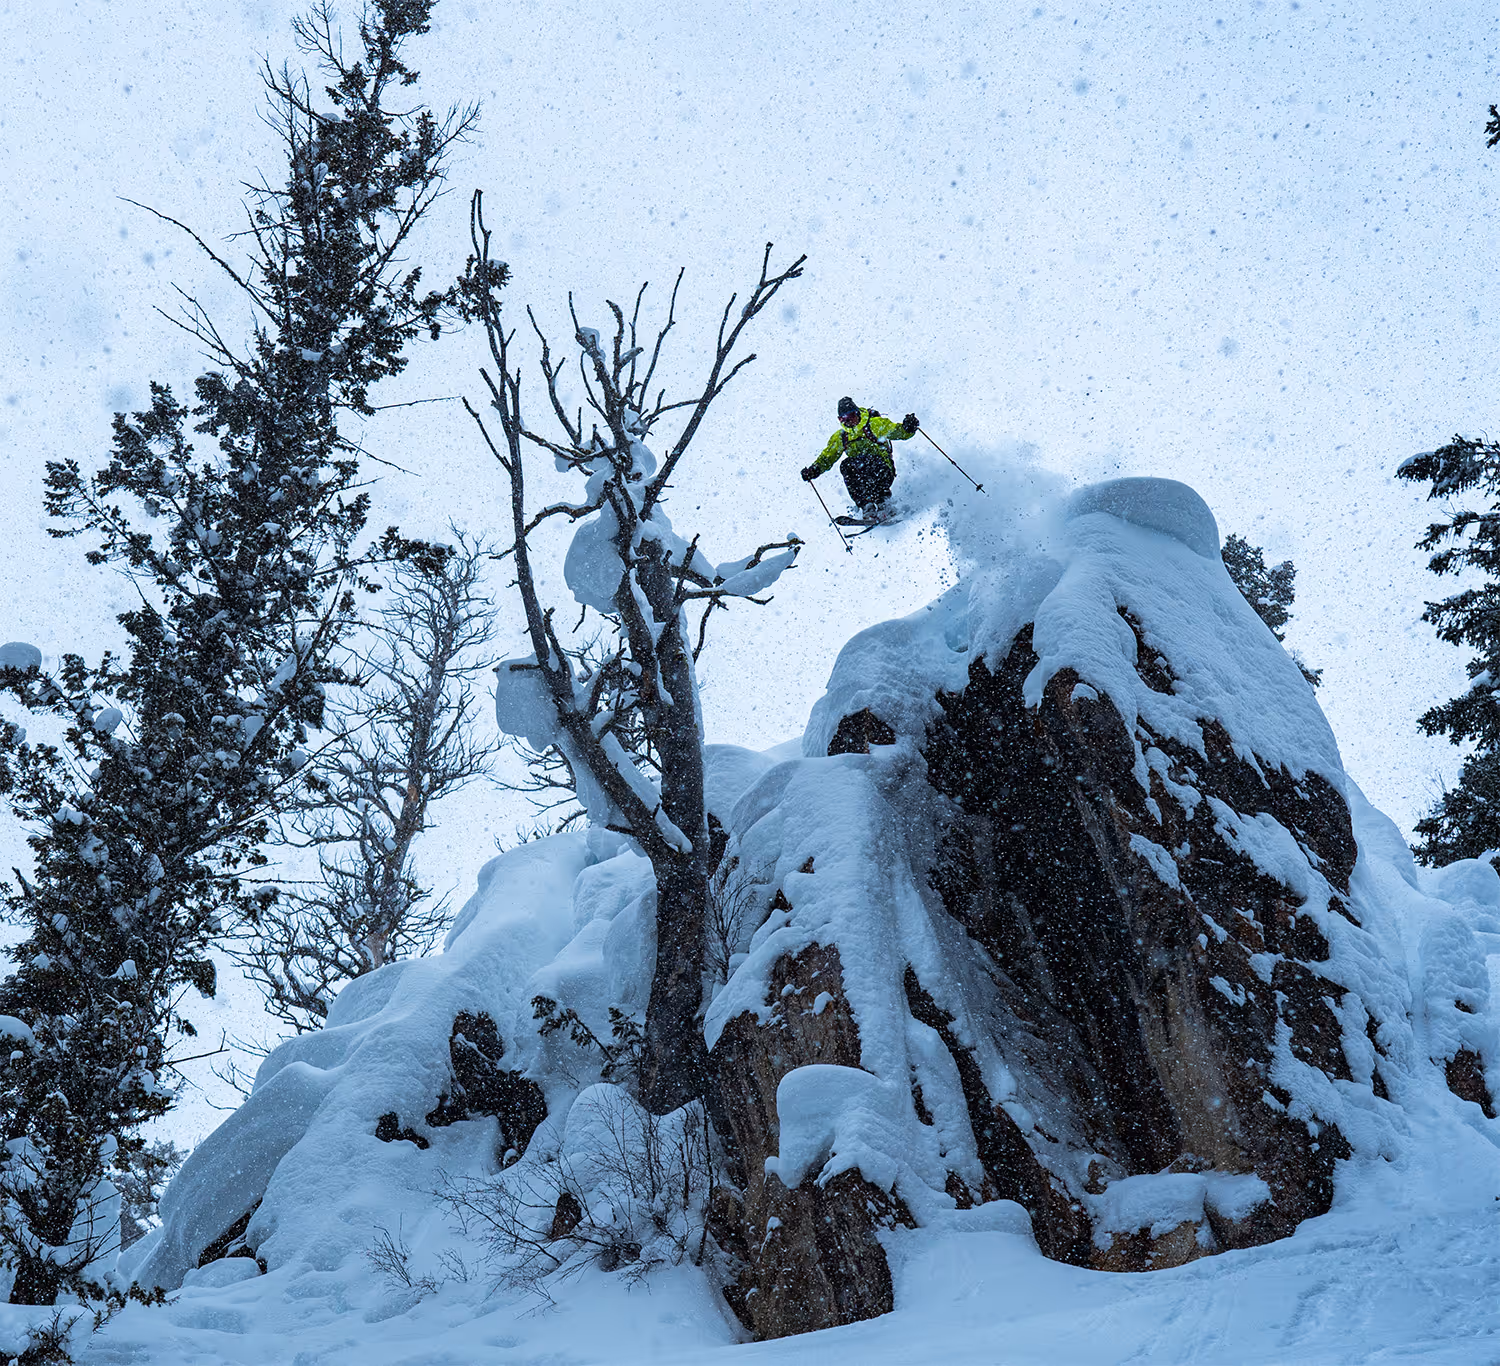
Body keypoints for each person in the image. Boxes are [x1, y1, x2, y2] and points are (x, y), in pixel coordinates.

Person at [802, 397, 920, 519]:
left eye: (851, 416)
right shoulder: (842, 437)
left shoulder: (875, 425)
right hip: (862, 478)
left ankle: (883, 502)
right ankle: (866, 506)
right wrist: (814, 470)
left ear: (857, 413)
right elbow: (827, 457)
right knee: (847, 465)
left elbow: (896, 431)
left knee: (867, 460)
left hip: (882, 471)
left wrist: (908, 428)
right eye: (843, 419)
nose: (848, 421)